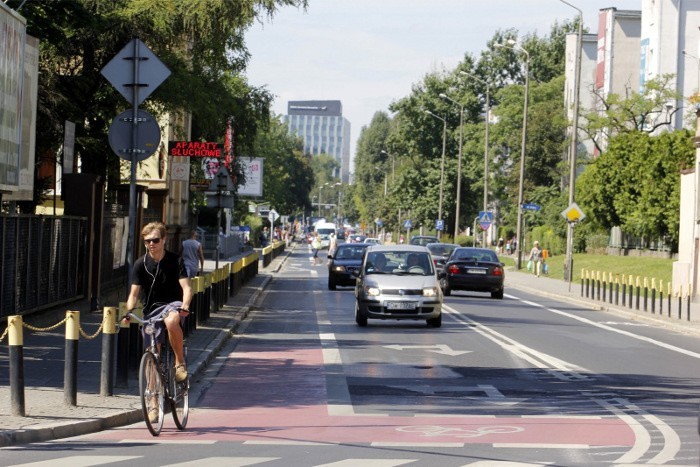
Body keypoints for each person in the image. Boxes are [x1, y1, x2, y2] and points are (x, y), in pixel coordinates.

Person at [126, 222, 192, 396]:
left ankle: (179, 362)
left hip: (173, 305)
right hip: (151, 311)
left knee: (171, 320)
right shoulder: (140, 264)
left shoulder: (175, 260)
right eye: (147, 241)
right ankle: (154, 401)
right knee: (151, 355)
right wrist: (129, 311)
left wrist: (185, 305)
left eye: (155, 240)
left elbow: (186, 287)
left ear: (164, 240)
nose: (151, 244)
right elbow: (133, 294)